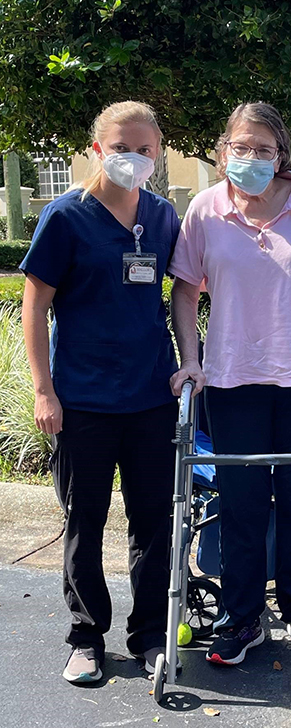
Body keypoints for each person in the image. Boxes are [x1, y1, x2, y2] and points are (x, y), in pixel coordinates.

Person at [170, 101, 291, 666]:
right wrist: (191, 360)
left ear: (281, 154)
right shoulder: (205, 209)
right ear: (222, 149)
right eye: (241, 147)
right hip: (233, 379)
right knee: (242, 501)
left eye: (263, 149)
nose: (251, 157)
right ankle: (243, 615)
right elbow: (185, 289)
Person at [21, 101, 181, 684]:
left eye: (144, 148)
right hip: (82, 401)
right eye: (120, 148)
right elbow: (33, 306)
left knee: (154, 524)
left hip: (151, 400)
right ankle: (86, 637)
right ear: (96, 150)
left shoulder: (163, 217)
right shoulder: (66, 217)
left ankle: (149, 637)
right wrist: (44, 391)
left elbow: (188, 291)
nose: (132, 158)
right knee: (84, 523)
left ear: (158, 151)